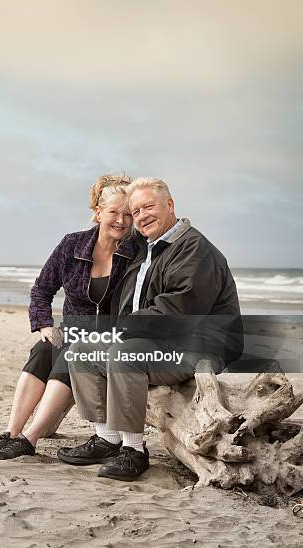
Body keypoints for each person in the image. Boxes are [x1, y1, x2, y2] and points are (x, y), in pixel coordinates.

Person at [58, 177, 243, 480]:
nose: (142, 215)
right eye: (137, 211)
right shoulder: (151, 248)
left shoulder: (193, 248)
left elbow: (177, 311)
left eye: (149, 206)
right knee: (81, 350)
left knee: (124, 353)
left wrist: (121, 329)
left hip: (197, 346)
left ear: (170, 205)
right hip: (160, 341)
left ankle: (134, 451)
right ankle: (107, 439)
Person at [0, 174, 136, 460]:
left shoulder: (136, 251)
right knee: (43, 349)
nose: (121, 220)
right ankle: (12, 433)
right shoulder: (72, 245)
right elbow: (41, 289)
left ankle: (29, 439)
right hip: (74, 328)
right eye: (114, 212)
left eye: (128, 214)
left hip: (111, 336)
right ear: (97, 212)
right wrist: (43, 324)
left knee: (72, 354)